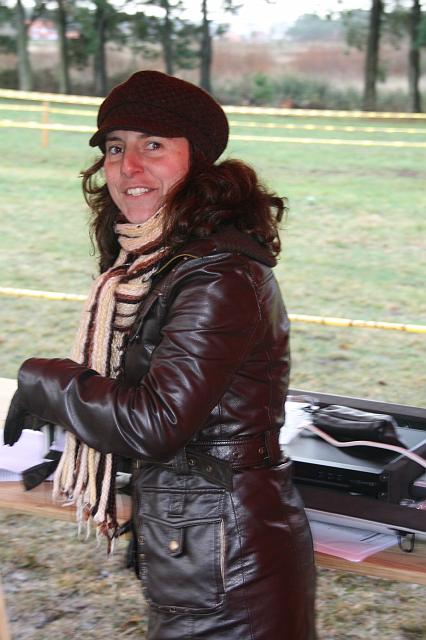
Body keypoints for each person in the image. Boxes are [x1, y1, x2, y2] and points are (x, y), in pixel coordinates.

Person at [4, 70, 316, 639]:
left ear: (198, 163)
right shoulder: (163, 263)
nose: (128, 166)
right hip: (202, 551)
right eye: (115, 147)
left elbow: (156, 422)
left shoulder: (216, 276)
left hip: (229, 573)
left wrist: (41, 380)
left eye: (153, 146)